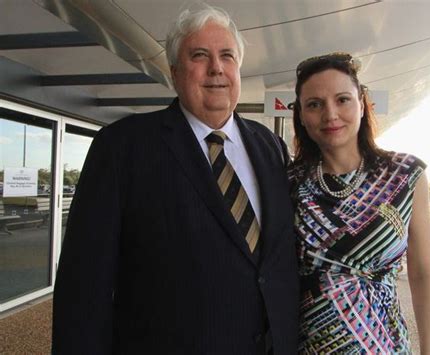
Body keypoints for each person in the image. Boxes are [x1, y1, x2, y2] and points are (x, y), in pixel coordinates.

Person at [52, 5, 299, 355]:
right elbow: (83, 285)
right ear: (173, 72)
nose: (217, 68)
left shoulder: (270, 145)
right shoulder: (123, 147)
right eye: (200, 55)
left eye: (227, 56)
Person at [288, 52, 430, 354]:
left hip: (386, 346)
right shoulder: (288, 183)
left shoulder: (405, 176)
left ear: (362, 104)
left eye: (342, 99)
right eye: (314, 104)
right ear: (302, 117)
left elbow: (423, 273)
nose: (330, 114)